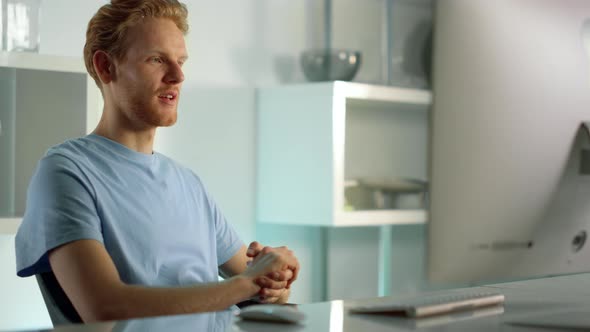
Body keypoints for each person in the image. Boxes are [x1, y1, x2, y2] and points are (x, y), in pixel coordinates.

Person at [14, 0, 299, 323]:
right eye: (156, 60)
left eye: (181, 61)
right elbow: (105, 307)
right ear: (107, 67)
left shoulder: (187, 182)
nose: (177, 76)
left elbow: (254, 283)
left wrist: (273, 279)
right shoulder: (66, 171)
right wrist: (246, 283)